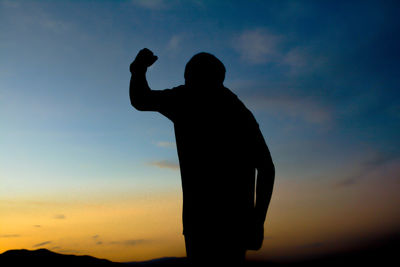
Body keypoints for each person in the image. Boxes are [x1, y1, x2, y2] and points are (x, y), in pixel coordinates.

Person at [129, 48, 275, 265]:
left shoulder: (185, 99)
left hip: (203, 222)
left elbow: (141, 99)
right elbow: (266, 168)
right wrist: (257, 220)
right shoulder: (238, 111)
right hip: (232, 223)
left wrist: (138, 69)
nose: (187, 82)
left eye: (189, 77)